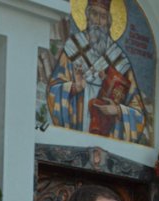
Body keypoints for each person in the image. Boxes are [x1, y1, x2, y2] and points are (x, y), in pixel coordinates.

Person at [47, 0, 147, 142]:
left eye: (103, 16)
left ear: (109, 22)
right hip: (76, 125)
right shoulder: (73, 48)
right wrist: (75, 87)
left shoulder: (119, 59)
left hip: (107, 132)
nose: (98, 21)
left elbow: (138, 113)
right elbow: (53, 91)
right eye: (94, 14)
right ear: (87, 17)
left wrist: (118, 110)